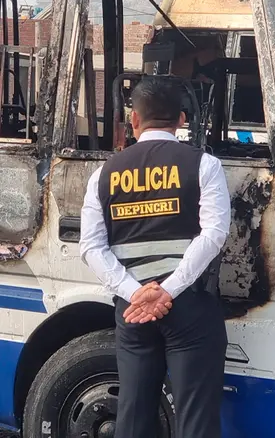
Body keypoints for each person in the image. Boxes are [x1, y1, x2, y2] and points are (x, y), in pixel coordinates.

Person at [79, 76, 231, 438]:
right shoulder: (204, 165)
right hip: (190, 309)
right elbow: (213, 234)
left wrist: (136, 294)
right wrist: (168, 290)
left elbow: (91, 247)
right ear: (181, 120)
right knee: (196, 420)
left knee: (132, 416)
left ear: (134, 120)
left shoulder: (104, 174)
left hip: (132, 313)